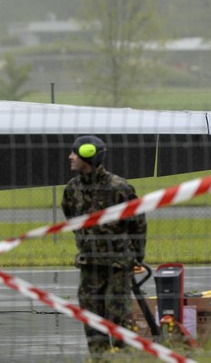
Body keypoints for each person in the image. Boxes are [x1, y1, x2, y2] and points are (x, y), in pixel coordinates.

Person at [61, 135, 147, 357]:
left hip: (117, 267)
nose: (70, 157)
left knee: (118, 321)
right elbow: (71, 218)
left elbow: (137, 224)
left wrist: (137, 257)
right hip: (89, 266)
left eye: (74, 153)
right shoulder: (72, 189)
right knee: (92, 322)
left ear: (88, 155)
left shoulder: (119, 188)